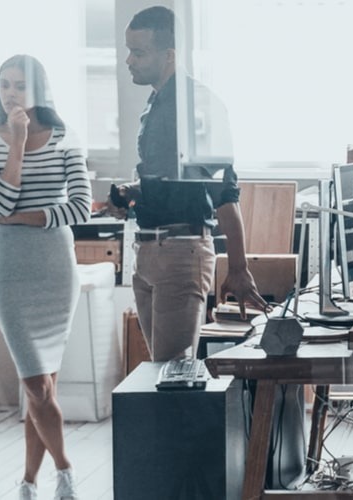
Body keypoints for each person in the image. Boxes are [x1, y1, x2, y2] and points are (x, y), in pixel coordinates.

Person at [106, 6, 267, 367]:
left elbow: (224, 191)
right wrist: (131, 193)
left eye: (139, 52)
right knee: (161, 372)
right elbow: (170, 184)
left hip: (180, 253)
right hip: (148, 251)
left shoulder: (199, 105)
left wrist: (238, 267)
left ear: (169, 55)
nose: (129, 60)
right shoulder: (156, 103)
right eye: (127, 50)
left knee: (174, 373)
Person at [0, 54, 91, 500]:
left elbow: (80, 208)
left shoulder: (65, 138)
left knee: (41, 392)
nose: (9, 93)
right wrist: (18, 143)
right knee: (38, 385)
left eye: (19, 85)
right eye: (4, 84)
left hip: (56, 273)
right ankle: (66, 471)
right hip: (11, 275)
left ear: (38, 90)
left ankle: (26, 482)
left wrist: (21, 219)